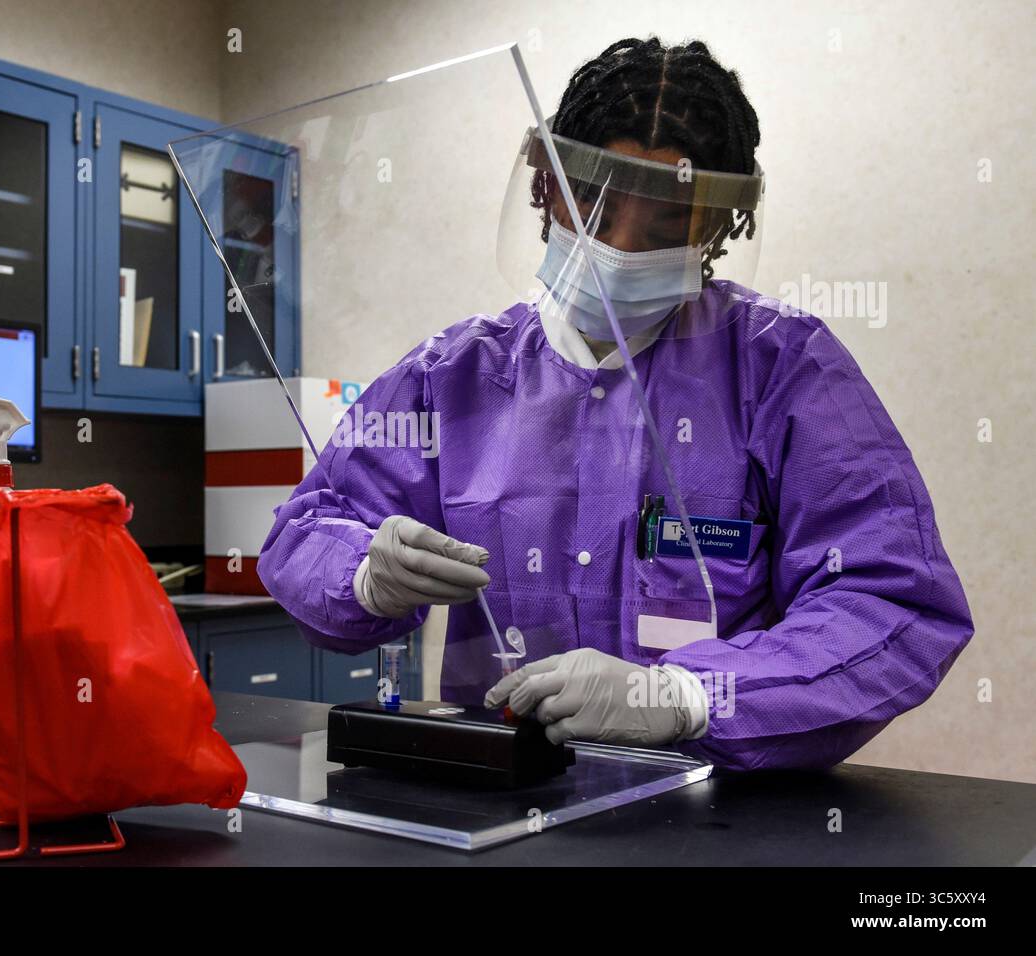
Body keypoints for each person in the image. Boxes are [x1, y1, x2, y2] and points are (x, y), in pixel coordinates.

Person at [256, 37, 972, 771]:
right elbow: (305, 533)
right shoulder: (453, 376)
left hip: (716, 814)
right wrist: (365, 575)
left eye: (665, 227)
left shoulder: (784, 368)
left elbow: (896, 603)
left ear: (720, 227)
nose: (621, 252)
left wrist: (688, 698)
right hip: (493, 800)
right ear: (543, 189)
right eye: (595, 212)